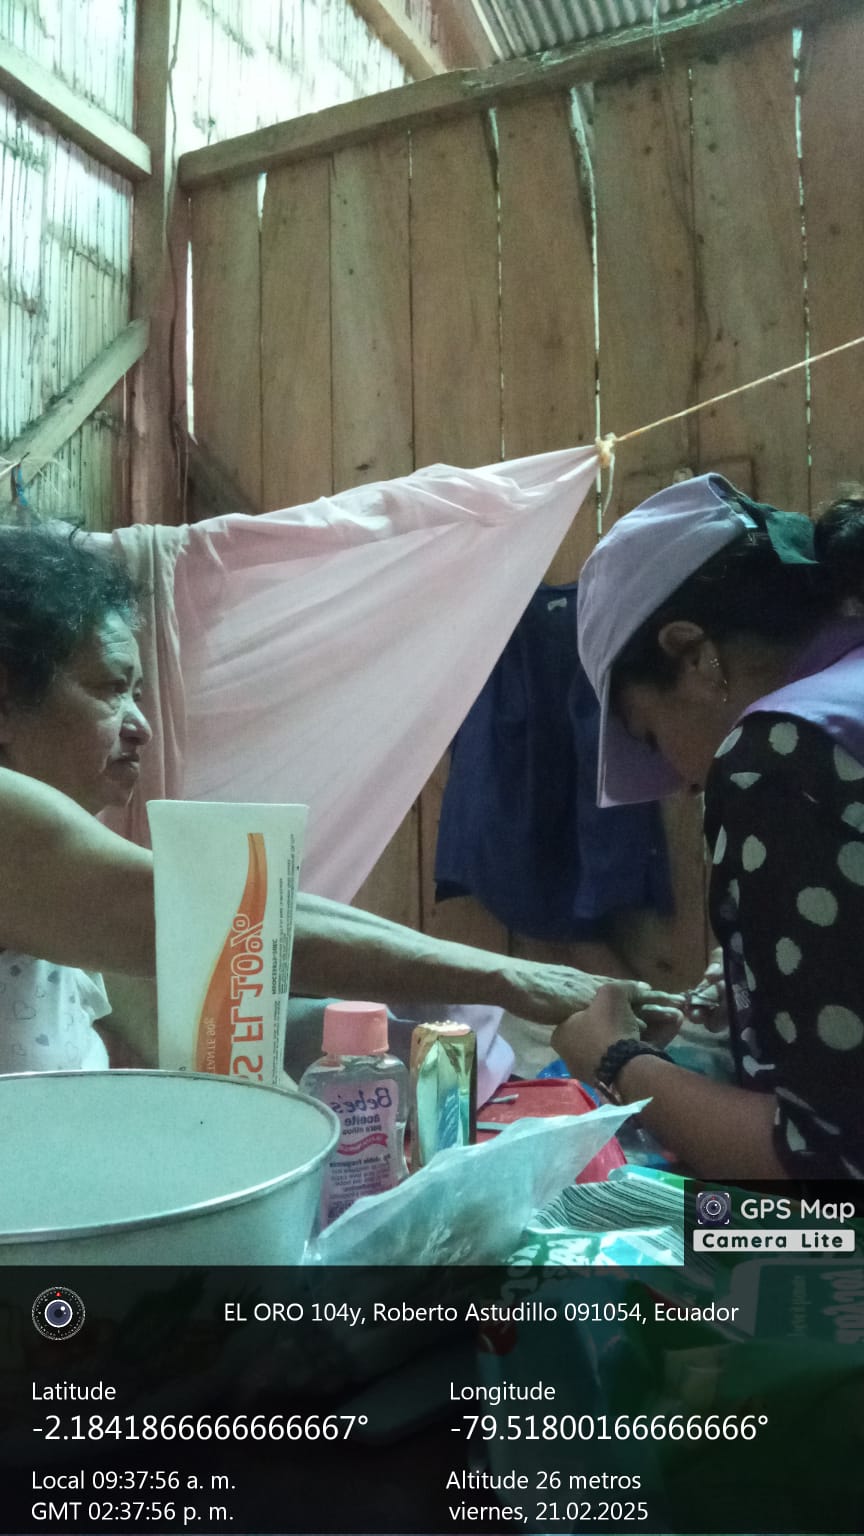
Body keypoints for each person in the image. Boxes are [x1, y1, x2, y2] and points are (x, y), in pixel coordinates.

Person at [0, 524, 669, 1075]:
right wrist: (514, 980)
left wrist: (504, 983)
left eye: (138, 693)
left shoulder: (65, 878)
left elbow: (251, 924)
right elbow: (222, 923)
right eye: (108, 689)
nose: (140, 725)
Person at [552, 474, 864, 1180]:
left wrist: (616, 1060)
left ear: (693, 655)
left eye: (650, 736)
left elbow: (826, 1159)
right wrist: (762, 1006)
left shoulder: (779, 755)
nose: (685, 782)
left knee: (641, 1219)